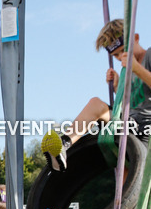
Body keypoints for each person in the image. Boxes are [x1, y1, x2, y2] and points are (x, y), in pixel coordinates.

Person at [42, 19, 151, 170]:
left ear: (136, 38)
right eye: (115, 55)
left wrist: (137, 69)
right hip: (130, 124)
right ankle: (64, 144)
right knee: (95, 104)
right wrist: (117, 87)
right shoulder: (128, 70)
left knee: (133, 176)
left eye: (123, 51)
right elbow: (132, 102)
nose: (120, 57)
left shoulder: (148, 57)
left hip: (145, 128)